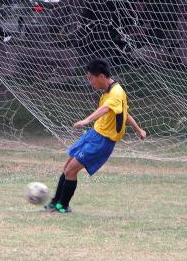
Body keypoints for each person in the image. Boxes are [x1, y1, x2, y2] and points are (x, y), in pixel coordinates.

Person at [45, 58, 146, 213]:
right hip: (94, 134)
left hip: (103, 141)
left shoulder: (117, 92)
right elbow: (125, 113)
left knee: (71, 170)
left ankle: (63, 206)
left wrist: (86, 120)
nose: (90, 82)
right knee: (67, 167)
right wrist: (139, 130)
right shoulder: (108, 92)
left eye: (90, 78)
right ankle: (55, 202)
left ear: (101, 76)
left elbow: (105, 109)